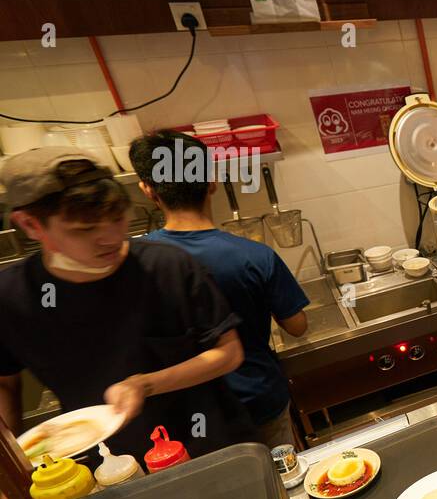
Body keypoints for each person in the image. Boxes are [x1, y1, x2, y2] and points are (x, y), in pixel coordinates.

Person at [0, 148, 253, 463]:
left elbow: (229, 352)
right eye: (85, 230)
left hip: (206, 449)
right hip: (95, 465)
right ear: (30, 225)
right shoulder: (11, 296)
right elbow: (5, 384)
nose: (110, 238)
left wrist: (146, 384)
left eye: (118, 218)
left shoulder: (166, 267)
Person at [129, 132, 310, 450]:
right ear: (211, 181)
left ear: (147, 189)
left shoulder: (134, 260)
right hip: (257, 400)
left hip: (181, 413)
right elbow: (297, 326)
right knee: (279, 485)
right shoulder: (254, 255)